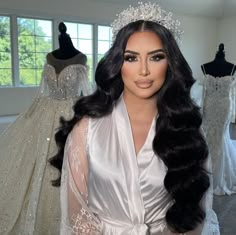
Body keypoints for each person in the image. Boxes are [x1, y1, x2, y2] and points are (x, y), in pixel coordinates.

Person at [51, 3, 219, 234]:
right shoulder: (86, 130)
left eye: (156, 57)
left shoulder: (187, 130)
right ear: (118, 63)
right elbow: (77, 212)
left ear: (170, 63)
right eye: (131, 58)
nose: (143, 71)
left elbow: (192, 211)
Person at [0, 22, 92, 234]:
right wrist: (29, 114)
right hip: (45, 110)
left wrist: (92, 112)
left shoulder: (81, 58)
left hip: (71, 112)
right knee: (35, 159)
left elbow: (85, 90)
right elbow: (42, 90)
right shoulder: (49, 57)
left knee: (70, 160)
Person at [200, 43, 236, 195]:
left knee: (221, 135)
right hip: (209, 106)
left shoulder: (233, 67)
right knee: (208, 134)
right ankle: (204, 168)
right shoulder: (205, 67)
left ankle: (219, 175)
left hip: (223, 107)